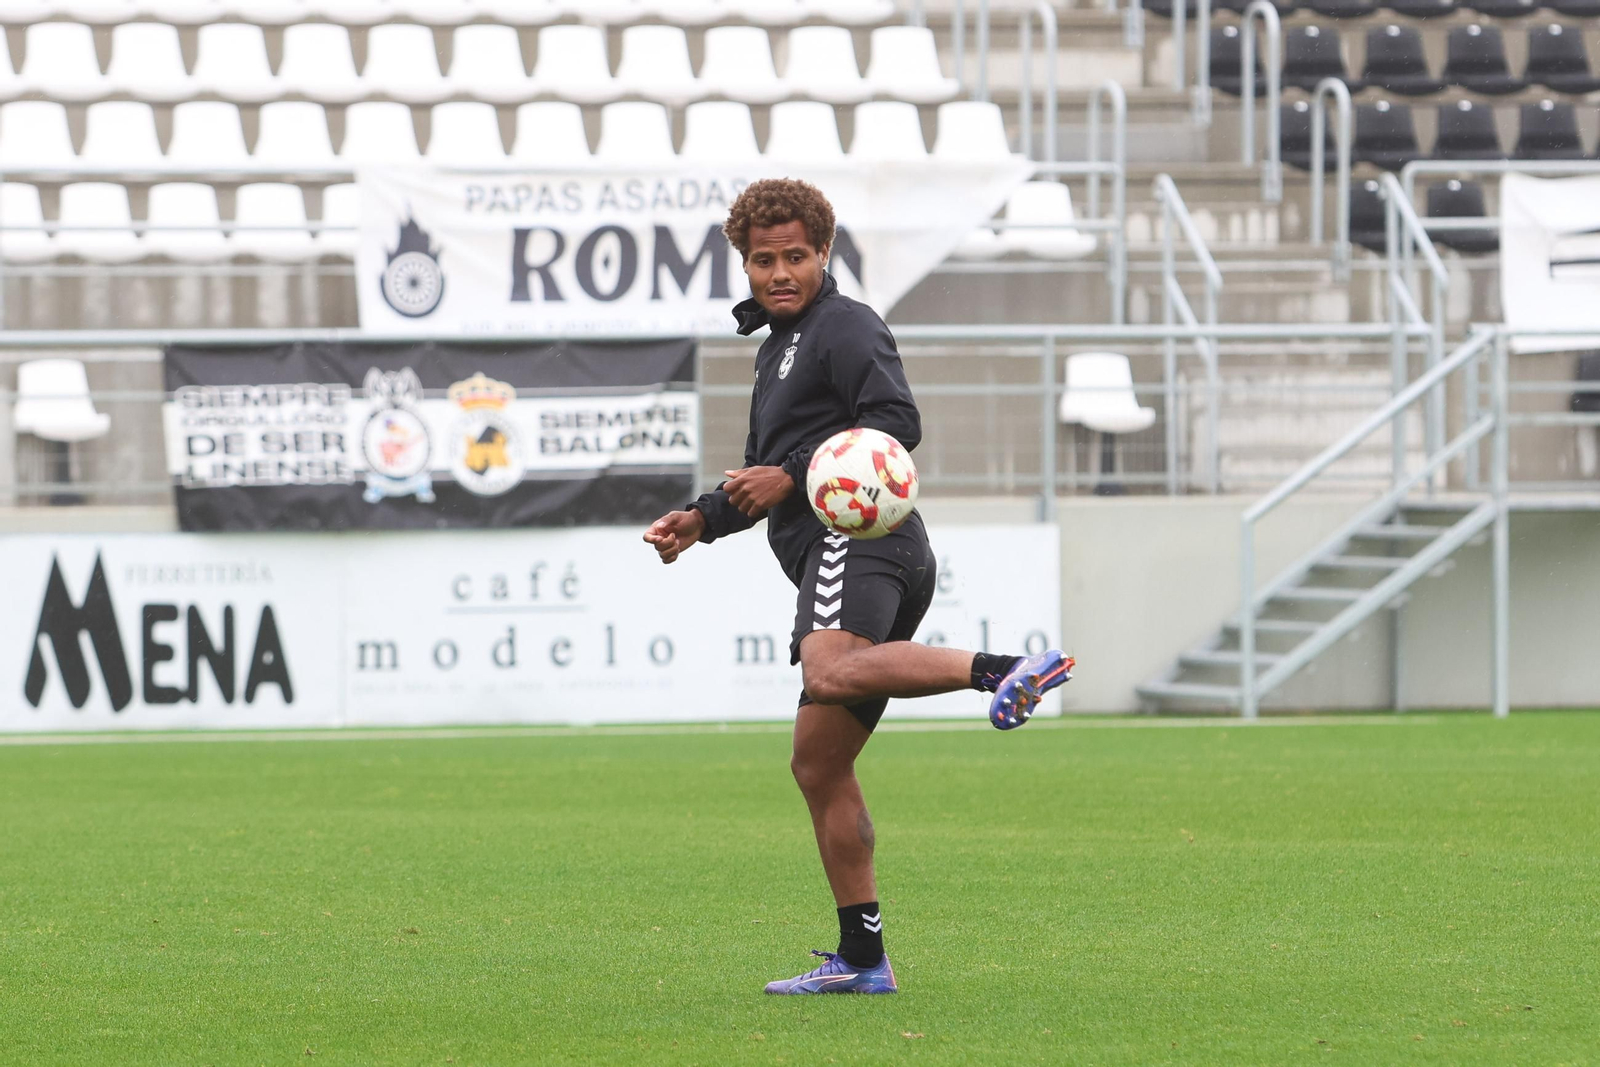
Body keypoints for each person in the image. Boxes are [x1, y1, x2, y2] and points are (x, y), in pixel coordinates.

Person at [643, 178, 1072, 996]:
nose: (779, 272)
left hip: (860, 540)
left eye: (795, 256)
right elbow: (766, 474)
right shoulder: (779, 345)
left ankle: (1006, 667)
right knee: (817, 764)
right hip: (844, 551)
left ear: (824, 254)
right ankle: (863, 960)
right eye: (763, 259)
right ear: (744, 263)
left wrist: (797, 473)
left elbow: (897, 422)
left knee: (830, 669)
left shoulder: (843, 325)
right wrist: (700, 519)